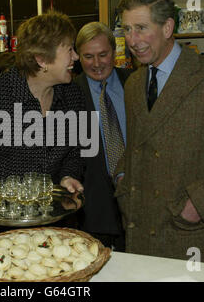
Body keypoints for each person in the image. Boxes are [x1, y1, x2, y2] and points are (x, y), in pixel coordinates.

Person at [115, 0, 204, 264]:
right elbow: (136, 145)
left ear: (168, 27)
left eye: (141, 28)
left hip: (189, 237)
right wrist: (122, 176)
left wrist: (198, 204)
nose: (132, 40)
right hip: (139, 233)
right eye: (127, 29)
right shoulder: (134, 83)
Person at [0, 11, 86, 233]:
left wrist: (68, 175)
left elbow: (75, 150)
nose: (76, 57)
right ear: (41, 59)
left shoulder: (72, 95)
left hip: (50, 217)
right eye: (69, 50)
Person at [74, 22, 132, 250]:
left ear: (115, 52)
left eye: (103, 54)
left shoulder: (136, 83)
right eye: (88, 56)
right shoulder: (68, 93)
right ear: (78, 56)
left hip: (139, 205)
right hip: (92, 211)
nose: (97, 64)